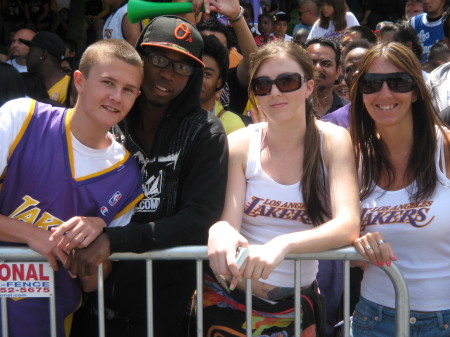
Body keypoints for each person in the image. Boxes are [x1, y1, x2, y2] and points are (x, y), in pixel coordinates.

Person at [60, 15, 228, 337]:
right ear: (140, 58)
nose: (167, 73)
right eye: (159, 58)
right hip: (86, 298)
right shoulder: (111, 116)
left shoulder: (205, 132)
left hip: (162, 310)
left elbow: (199, 219)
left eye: (183, 67)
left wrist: (114, 240)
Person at [206, 40, 360, 337]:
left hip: (297, 307)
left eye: (287, 81)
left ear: (308, 87)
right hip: (231, 301)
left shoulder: (333, 141)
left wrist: (283, 245)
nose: (275, 92)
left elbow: (348, 224)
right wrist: (220, 230)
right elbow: (230, 220)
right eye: (263, 85)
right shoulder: (240, 143)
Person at [0, 38, 144, 337]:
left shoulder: (128, 175)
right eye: (107, 82)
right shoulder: (22, 118)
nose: (117, 97)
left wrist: (94, 246)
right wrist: (33, 235)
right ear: (79, 80)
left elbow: (93, 283)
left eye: (128, 89)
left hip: (46, 323)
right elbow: (41, 239)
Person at [350, 42, 450, 337]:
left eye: (398, 82)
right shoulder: (354, 159)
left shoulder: (445, 148)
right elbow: (349, 253)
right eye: (371, 84)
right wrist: (359, 245)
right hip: (374, 320)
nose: (384, 94)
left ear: (416, 91)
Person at [323, 39, 373, 129]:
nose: (357, 72)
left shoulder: (390, 112)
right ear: (343, 74)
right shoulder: (331, 123)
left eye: (364, 66)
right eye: (350, 69)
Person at [201, 35, 244, 135]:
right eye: (194, 70)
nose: (198, 79)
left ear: (219, 82)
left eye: (206, 74)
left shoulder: (232, 126)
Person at [21, 31, 71, 105]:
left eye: (31, 51)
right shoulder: (26, 83)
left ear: (43, 54)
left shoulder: (69, 88)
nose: (26, 56)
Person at [306, 37, 347, 117]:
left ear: (338, 72)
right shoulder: (288, 108)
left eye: (326, 64)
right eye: (311, 62)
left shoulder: (349, 112)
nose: (317, 68)